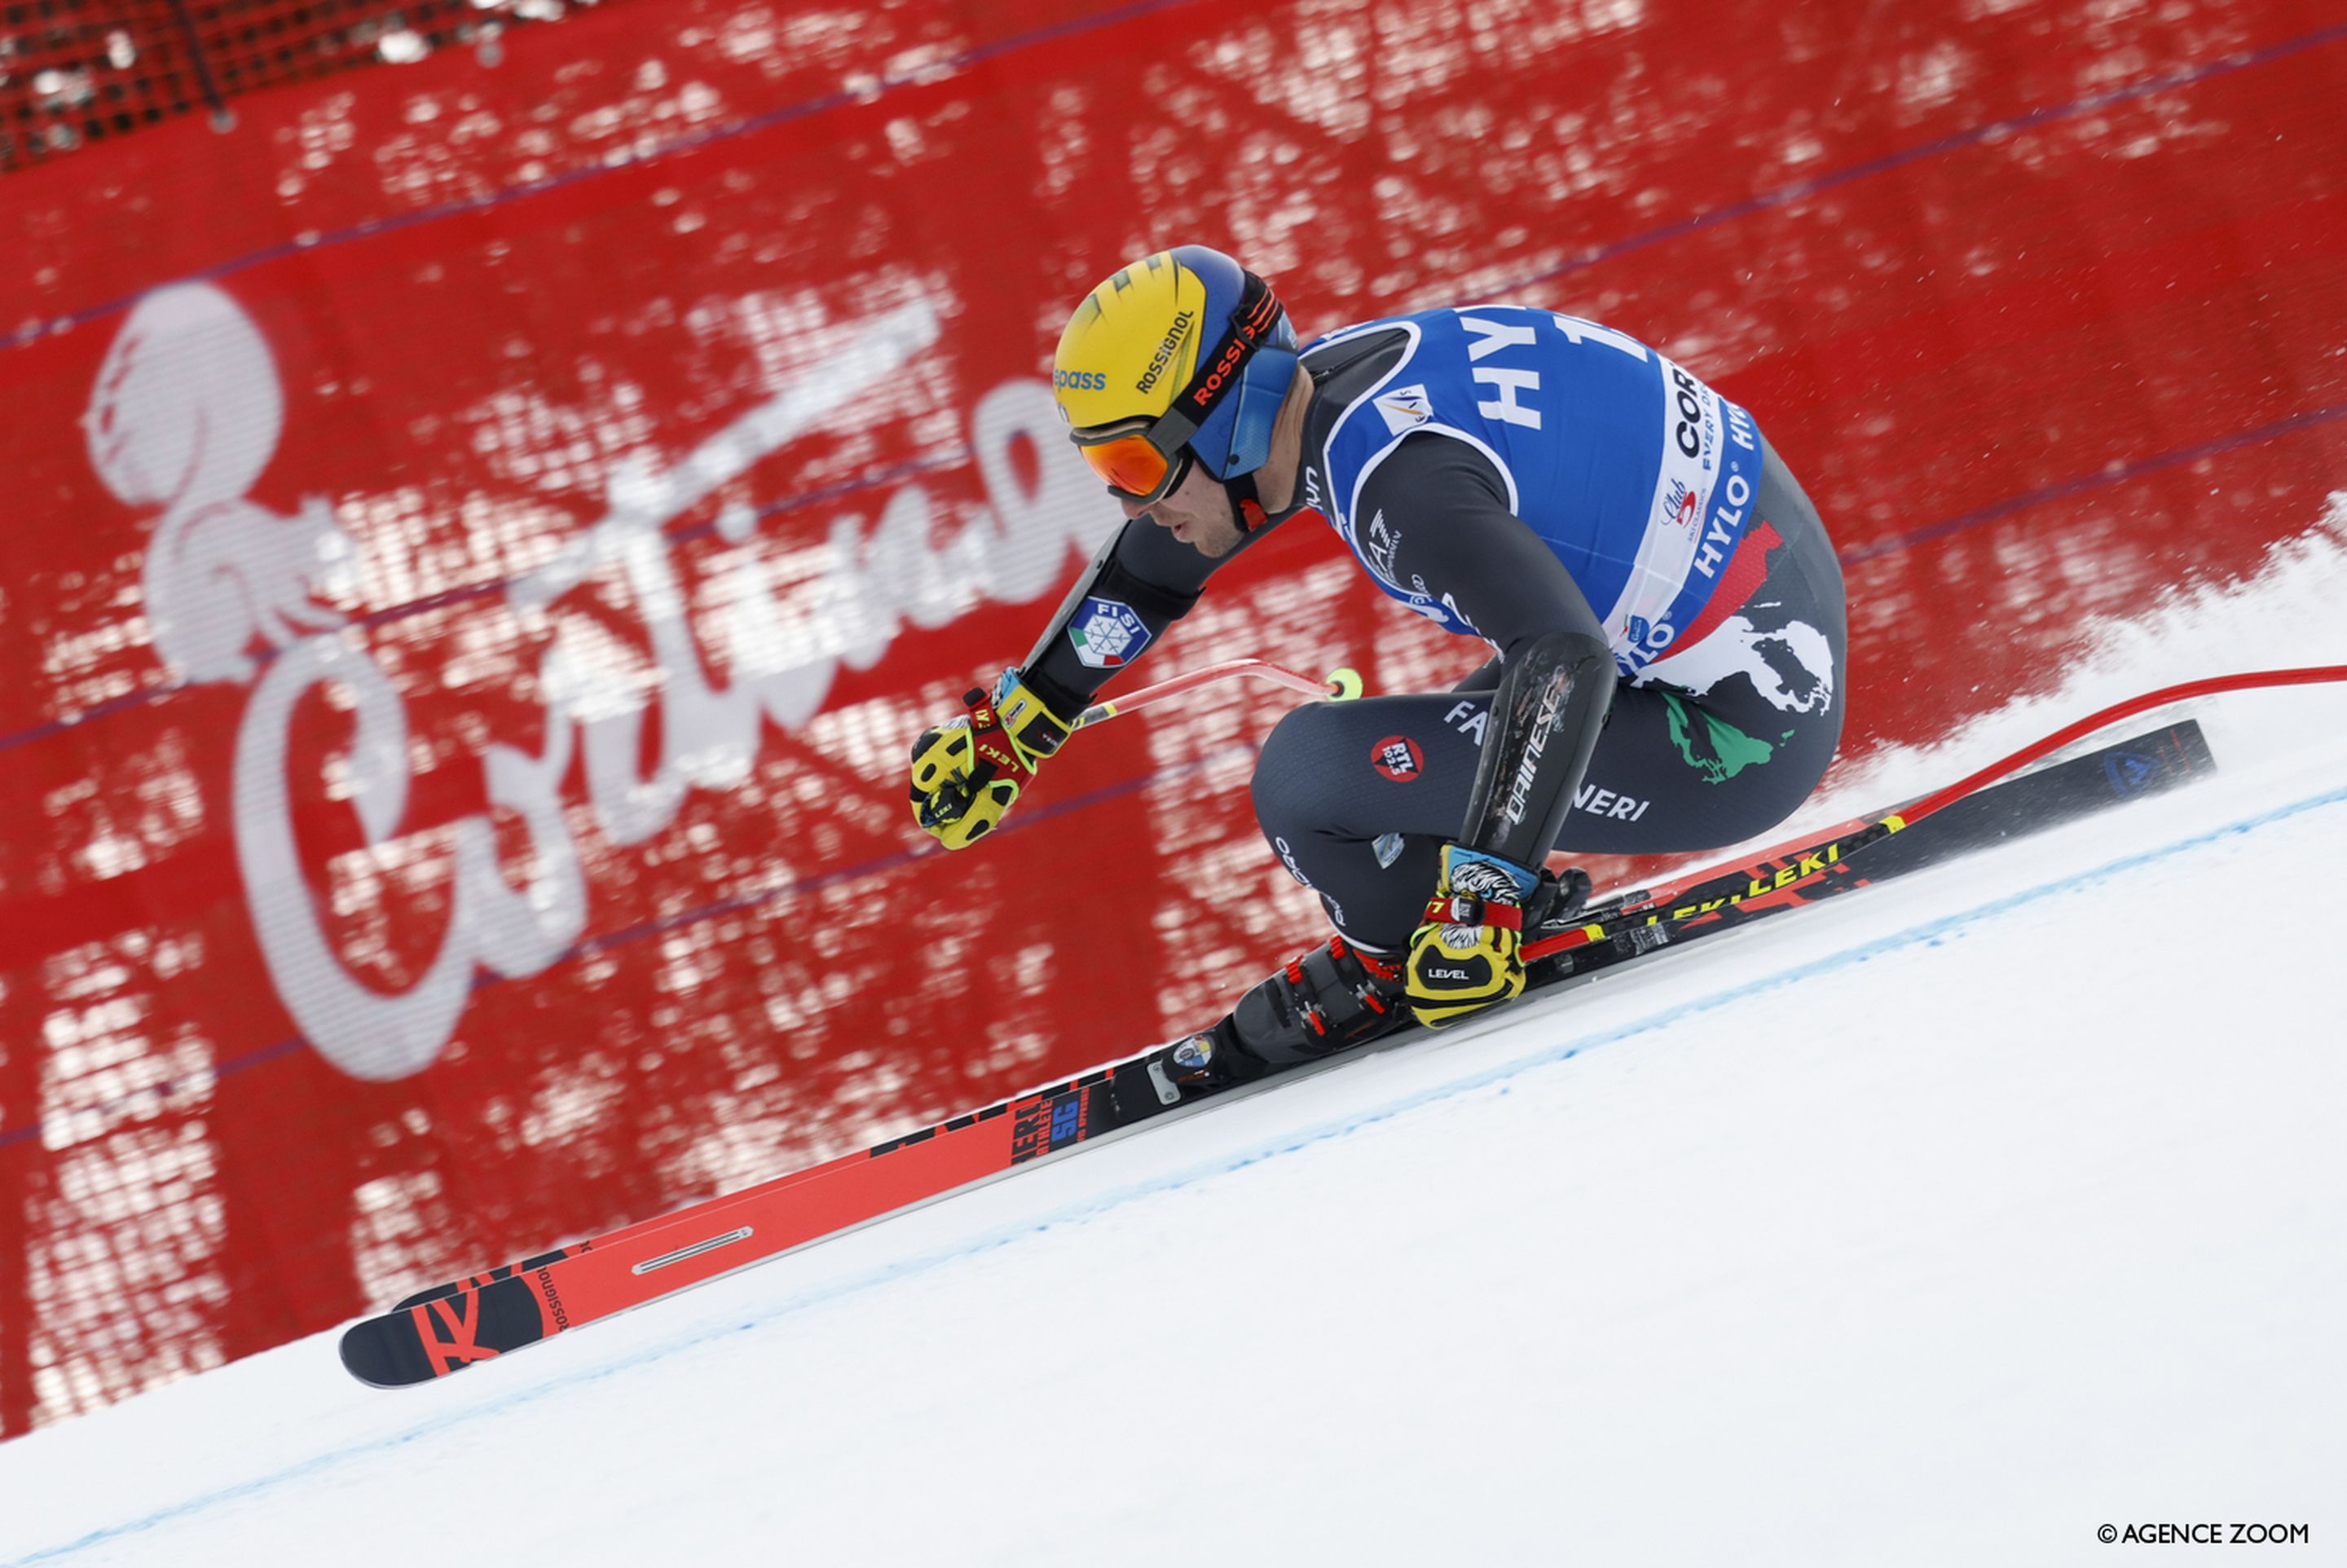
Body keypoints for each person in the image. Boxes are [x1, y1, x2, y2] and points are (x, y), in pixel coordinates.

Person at [909, 245, 1844, 1094]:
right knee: (1407, 772)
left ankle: (1388, 967)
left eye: (1132, 461)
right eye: (1103, 471)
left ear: (1224, 420)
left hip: (1747, 725)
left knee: (1310, 775)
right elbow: (1155, 571)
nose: (1131, 502)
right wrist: (1019, 720)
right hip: (1755, 616)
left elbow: (1564, 658)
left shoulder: (1397, 480)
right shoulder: (1333, 392)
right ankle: (1441, 909)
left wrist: (1485, 900)